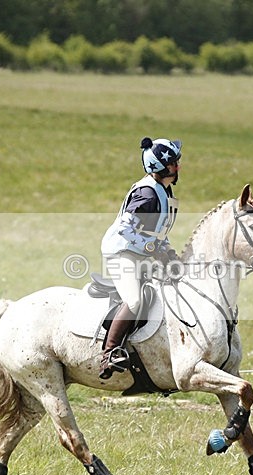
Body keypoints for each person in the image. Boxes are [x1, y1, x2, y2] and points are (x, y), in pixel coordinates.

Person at [98, 136, 181, 379]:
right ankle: (109, 353)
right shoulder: (147, 194)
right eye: (174, 163)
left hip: (138, 251)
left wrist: (167, 252)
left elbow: (155, 231)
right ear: (162, 167)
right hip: (121, 252)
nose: (178, 167)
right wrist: (154, 250)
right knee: (134, 301)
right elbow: (127, 229)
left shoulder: (164, 190)